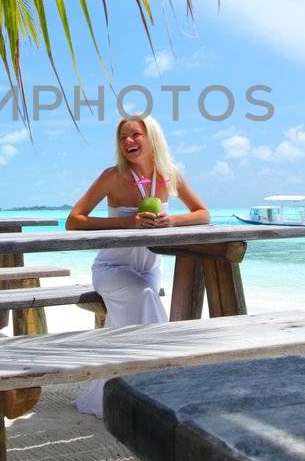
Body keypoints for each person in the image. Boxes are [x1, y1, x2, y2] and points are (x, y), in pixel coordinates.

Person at [66, 115, 209, 416]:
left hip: (149, 271)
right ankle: (174, 376)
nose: (128, 142)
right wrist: (127, 222)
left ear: (151, 137)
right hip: (112, 270)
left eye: (135, 135)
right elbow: (73, 220)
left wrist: (174, 220)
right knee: (145, 297)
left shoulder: (169, 175)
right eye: (122, 138)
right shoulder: (113, 176)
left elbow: (203, 213)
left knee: (133, 314)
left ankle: (123, 393)